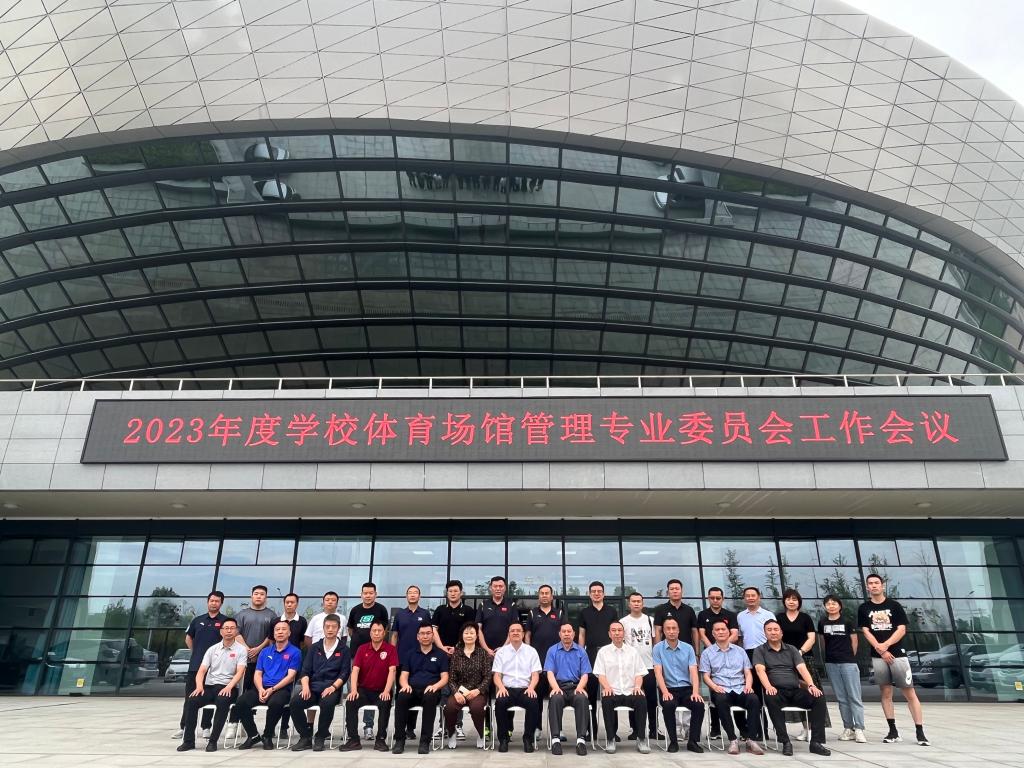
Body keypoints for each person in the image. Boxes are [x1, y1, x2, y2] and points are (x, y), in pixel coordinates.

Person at [858, 573, 929, 746]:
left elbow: (901, 629)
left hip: (898, 654)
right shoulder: (864, 608)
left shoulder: (894, 606)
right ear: (867, 587)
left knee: (909, 692)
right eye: (870, 583)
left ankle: (920, 732)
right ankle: (893, 731)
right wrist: (880, 649)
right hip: (878, 656)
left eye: (876, 582)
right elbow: (866, 631)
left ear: (882, 585)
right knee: (886, 693)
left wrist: (886, 645)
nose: (873, 585)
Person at [753, 619, 831, 757]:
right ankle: (785, 742)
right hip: (776, 691)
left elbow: (802, 668)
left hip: (795, 691)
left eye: (776, 629)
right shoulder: (760, 650)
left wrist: (811, 685)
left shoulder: (792, 649)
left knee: (818, 697)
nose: (773, 632)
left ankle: (816, 743)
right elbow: (760, 670)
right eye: (769, 630)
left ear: (781, 633)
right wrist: (768, 686)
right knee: (770, 698)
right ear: (765, 633)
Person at [176, 618, 247, 752]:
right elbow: (202, 670)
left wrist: (229, 686)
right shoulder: (212, 649)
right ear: (221, 631)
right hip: (209, 687)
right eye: (226, 628)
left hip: (229, 687)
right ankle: (188, 741)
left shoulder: (241, 650)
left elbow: (240, 672)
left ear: (236, 631)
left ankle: (213, 741)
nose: (229, 631)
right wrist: (199, 686)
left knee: (222, 701)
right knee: (192, 701)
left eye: (232, 628)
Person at [698, 619, 764, 755]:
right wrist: (714, 686)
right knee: (721, 701)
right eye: (717, 630)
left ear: (729, 632)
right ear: (713, 634)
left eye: (723, 629)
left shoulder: (740, 651)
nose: (721, 632)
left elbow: (747, 672)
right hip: (721, 688)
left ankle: (751, 740)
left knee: (754, 699)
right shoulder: (707, 653)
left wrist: (748, 686)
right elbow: (706, 676)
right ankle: (733, 740)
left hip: (740, 687)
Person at [235, 620, 302, 750]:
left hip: (282, 689)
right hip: (262, 687)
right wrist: (260, 689)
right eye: (277, 630)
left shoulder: (295, 652)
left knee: (275, 703)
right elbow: (258, 674)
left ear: (289, 633)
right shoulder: (265, 652)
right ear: (273, 633)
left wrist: (272, 689)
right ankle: (253, 735)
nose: (280, 632)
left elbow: (291, 677)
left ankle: (267, 735)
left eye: (283, 629)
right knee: (241, 702)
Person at [289, 613, 350, 752]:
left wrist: (333, 687)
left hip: (331, 688)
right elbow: (305, 671)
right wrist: (305, 687)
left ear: (338, 629)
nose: (330, 629)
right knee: (295, 703)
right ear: (323, 628)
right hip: (313, 687)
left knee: (327, 703)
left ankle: (320, 737)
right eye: (327, 626)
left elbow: (345, 673)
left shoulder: (344, 649)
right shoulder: (314, 647)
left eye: (333, 627)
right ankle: (305, 737)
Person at [225, 585, 278, 739]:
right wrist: (247, 649)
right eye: (256, 594)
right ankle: (233, 723)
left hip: (263, 662)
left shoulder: (271, 615)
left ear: (266, 597)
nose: (259, 596)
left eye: (262, 594)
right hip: (244, 661)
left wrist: (258, 649)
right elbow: (236, 634)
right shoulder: (242, 614)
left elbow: (271, 636)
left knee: (261, 693)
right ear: (251, 596)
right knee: (241, 692)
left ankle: (267, 727)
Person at [338, 619, 398, 752]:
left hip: (382, 690)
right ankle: (354, 740)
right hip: (364, 690)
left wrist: (387, 691)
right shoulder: (362, 649)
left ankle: (380, 740)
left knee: (385, 703)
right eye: (374, 631)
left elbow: (392, 671)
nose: (376, 633)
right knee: (351, 702)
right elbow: (355, 670)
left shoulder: (391, 649)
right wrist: (353, 690)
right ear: (370, 633)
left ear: (384, 633)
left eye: (379, 631)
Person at [776, 588, 829, 737]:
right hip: (786, 660)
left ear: (799, 602)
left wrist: (799, 652)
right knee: (795, 692)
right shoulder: (779, 618)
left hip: (805, 658)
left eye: (794, 599)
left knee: (811, 691)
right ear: (784, 601)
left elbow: (811, 638)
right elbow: (776, 637)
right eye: (788, 599)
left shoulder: (805, 618)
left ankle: (814, 728)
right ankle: (805, 728)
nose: (791, 602)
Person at [593, 621, 651, 754]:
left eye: (619, 630)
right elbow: (600, 674)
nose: (617, 633)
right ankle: (611, 739)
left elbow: (639, 673)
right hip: (613, 691)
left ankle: (641, 738)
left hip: (630, 691)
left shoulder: (633, 652)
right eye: (614, 630)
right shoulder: (603, 652)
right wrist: (606, 687)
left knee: (641, 699)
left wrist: (638, 686)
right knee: (606, 700)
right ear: (609, 634)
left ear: (624, 633)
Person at [176, 590, 227, 740]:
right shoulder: (197, 620)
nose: (214, 603)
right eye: (212, 600)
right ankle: (184, 727)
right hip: (196, 665)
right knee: (190, 697)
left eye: (217, 601)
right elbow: (188, 638)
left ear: (221, 603)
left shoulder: (224, 621)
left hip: (215, 668)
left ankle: (206, 727)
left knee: (210, 697)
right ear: (207, 602)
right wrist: (197, 653)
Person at [392, 624, 449, 755]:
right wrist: (405, 685)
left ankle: (424, 742)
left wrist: (435, 686)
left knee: (430, 698)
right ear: (418, 637)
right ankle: (399, 740)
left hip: (431, 690)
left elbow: (445, 677)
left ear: (433, 636)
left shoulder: (441, 655)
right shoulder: (410, 654)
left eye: (428, 633)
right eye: (422, 633)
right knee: (401, 698)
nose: (425, 636)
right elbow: (403, 676)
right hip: (412, 689)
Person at [652, 616, 705, 754]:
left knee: (699, 705)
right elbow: (658, 673)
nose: (671, 631)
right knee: (668, 705)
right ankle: (673, 741)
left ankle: (693, 741)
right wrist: (665, 692)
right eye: (668, 629)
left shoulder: (688, 648)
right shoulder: (657, 648)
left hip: (686, 689)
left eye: (674, 628)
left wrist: (695, 692)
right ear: (663, 631)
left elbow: (694, 672)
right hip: (668, 689)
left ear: (678, 630)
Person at [432, 579, 475, 741]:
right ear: (447, 593)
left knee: (459, 690)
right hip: (443, 656)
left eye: (456, 591)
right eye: (450, 591)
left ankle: (458, 725)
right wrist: (442, 648)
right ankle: (443, 725)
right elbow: (434, 631)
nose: (453, 593)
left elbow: (470, 632)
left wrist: (457, 648)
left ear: (461, 593)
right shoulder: (440, 610)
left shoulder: (468, 610)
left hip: (461, 655)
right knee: (444, 691)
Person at [818, 595, 865, 743]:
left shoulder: (847, 621)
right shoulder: (822, 622)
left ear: (840, 605)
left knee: (854, 697)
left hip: (848, 662)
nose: (831, 606)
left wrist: (849, 656)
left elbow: (854, 641)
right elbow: (823, 642)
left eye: (834, 603)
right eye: (828, 604)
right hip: (831, 663)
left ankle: (859, 728)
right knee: (841, 698)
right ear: (825, 607)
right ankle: (848, 728)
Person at [347, 582, 389, 738]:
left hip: (376, 655)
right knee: (354, 690)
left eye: (371, 593)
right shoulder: (355, 610)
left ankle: (368, 726)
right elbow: (351, 630)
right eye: (365, 593)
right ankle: (350, 727)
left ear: (375, 594)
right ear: (361, 594)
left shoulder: (381, 609)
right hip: (356, 654)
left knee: (370, 688)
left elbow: (385, 629)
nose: (368, 595)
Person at [696, 586, 739, 739]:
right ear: (708, 598)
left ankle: (742, 729)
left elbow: (734, 634)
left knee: (736, 689)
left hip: (729, 653)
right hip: (711, 655)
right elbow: (702, 634)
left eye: (718, 598)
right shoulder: (703, 614)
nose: (715, 600)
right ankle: (715, 729)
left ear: (723, 599)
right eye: (712, 598)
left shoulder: (730, 615)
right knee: (714, 691)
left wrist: (723, 645)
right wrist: (713, 649)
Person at [493, 622, 542, 753]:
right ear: (508, 634)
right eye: (512, 631)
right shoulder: (501, 652)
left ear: (523, 634)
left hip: (525, 689)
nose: (515, 633)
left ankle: (528, 739)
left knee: (533, 703)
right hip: (507, 688)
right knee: (500, 703)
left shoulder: (531, 651)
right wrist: (501, 687)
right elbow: (497, 675)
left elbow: (535, 674)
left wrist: (531, 687)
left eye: (518, 630)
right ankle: (503, 739)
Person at [578, 580, 617, 740]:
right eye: (593, 591)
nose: (596, 593)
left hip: (609, 655)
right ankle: (591, 730)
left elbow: (615, 631)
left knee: (611, 693)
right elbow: (581, 634)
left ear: (604, 593)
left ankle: (612, 731)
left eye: (599, 591)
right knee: (591, 695)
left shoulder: (612, 611)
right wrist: (581, 654)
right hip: (591, 655)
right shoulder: (584, 612)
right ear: (589, 594)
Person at [543, 622, 591, 756]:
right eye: (563, 632)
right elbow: (549, 672)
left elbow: (585, 674)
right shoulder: (552, 650)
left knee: (582, 699)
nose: (566, 634)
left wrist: (580, 687)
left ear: (574, 634)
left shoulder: (581, 651)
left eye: (569, 631)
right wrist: (555, 687)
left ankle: (581, 740)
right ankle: (555, 739)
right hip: (559, 686)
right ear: (559, 634)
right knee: (555, 699)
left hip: (576, 685)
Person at [391, 584, 432, 739]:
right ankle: (399, 729)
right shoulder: (400, 614)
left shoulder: (425, 613)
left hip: (419, 659)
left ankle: (410, 728)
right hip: (401, 659)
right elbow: (395, 635)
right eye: (410, 593)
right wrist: (393, 655)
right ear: (406, 596)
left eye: (415, 593)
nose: (413, 595)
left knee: (415, 690)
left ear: (419, 596)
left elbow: (430, 634)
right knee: (401, 693)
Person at [442, 622, 492, 750]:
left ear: (476, 636)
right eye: (466, 633)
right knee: (449, 708)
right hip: (459, 691)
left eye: (472, 633)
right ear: (462, 635)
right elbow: (451, 678)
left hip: (477, 692)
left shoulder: (483, 653)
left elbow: (488, 676)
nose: (469, 635)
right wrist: (456, 692)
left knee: (477, 708)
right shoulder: (456, 654)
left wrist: (478, 690)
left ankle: (480, 734)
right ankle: (452, 733)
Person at [619, 592, 658, 741]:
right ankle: (635, 729)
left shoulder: (650, 620)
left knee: (651, 700)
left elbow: (655, 642)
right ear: (629, 604)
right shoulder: (623, 622)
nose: (636, 603)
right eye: (633, 601)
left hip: (648, 666)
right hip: (632, 668)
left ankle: (654, 729)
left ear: (643, 603)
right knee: (633, 699)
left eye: (639, 601)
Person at [525, 584, 564, 703]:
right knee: (537, 695)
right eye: (542, 593)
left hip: (556, 658)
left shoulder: (559, 613)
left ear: (552, 596)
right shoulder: (532, 613)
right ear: (539, 596)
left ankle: (553, 714)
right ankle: (537, 715)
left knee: (555, 693)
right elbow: (527, 634)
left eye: (547, 593)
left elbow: (564, 633)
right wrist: (528, 652)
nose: (544, 595)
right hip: (537, 658)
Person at [653, 578, 700, 649]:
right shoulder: (661, 609)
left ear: (682, 591)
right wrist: (658, 650)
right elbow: (658, 631)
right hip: (666, 650)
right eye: (672, 589)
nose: (675, 591)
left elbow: (694, 631)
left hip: (686, 650)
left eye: (677, 589)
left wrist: (697, 652)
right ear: (668, 592)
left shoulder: (689, 610)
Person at [477, 575, 517, 657]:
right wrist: (486, 649)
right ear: (490, 588)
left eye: (501, 586)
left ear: (505, 588)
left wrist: (504, 648)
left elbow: (514, 629)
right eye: (495, 586)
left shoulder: (511, 605)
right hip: (486, 653)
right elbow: (478, 629)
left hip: (506, 651)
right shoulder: (483, 605)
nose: (498, 589)